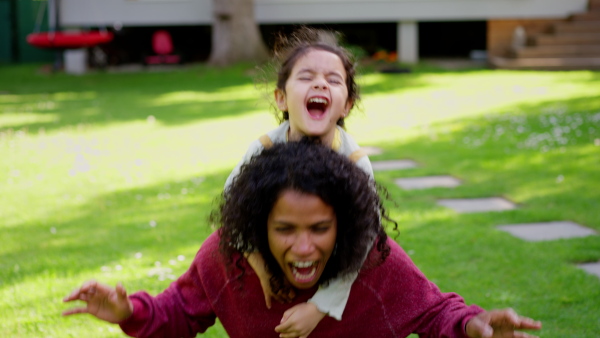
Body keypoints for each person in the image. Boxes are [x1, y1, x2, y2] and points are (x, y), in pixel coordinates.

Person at [63, 140, 542, 338]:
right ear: (257, 226)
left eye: (320, 229)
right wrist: (129, 312)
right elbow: (177, 312)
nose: (304, 247)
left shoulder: (374, 264)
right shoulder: (227, 261)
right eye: (284, 230)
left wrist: (475, 326)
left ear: (345, 225)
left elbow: (436, 311)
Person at [223, 27, 373, 337]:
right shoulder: (263, 150)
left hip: (335, 266)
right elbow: (231, 209)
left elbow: (364, 241)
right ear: (281, 98)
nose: (320, 82)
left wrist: (318, 308)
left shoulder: (355, 162)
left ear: (346, 105)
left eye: (333, 80)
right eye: (306, 77)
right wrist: (260, 266)